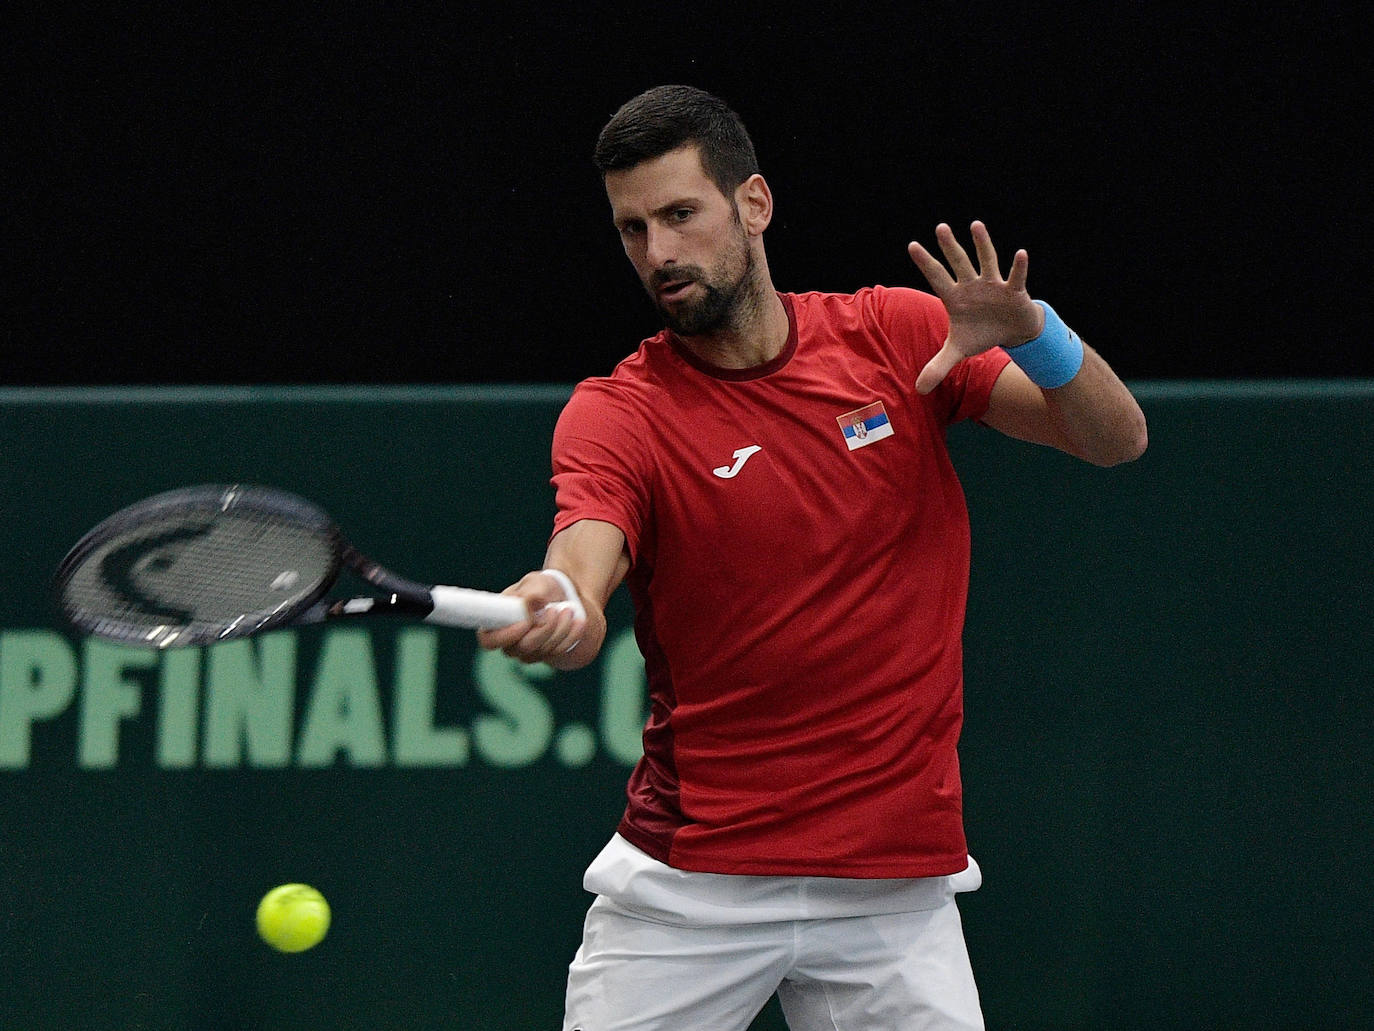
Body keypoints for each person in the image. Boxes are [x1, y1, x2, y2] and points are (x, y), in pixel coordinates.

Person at [478, 84, 1146, 1031]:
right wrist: (562, 600)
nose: (659, 253)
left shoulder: (895, 337)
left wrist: (1037, 334)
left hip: (893, 886)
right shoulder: (619, 412)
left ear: (753, 205)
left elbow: (1115, 440)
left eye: (680, 214)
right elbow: (582, 573)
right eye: (633, 229)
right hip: (693, 884)